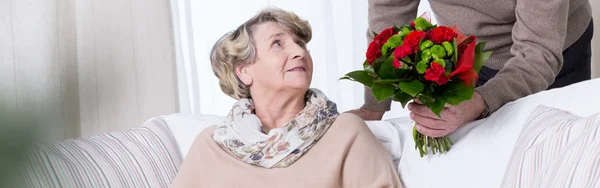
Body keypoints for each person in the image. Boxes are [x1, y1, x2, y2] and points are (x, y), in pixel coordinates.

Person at [171, 7, 402, 188]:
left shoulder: (346, 132)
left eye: (301, 44)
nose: (299, 52)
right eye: (277, 43)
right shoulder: (213, 144)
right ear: (244, 70)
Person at [350, 0, 594, 138]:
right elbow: (389, 16)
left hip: (554, 49)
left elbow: (537, 53)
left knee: (559, 146)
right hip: (470, 52)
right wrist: (373, 106)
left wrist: (482, 100)